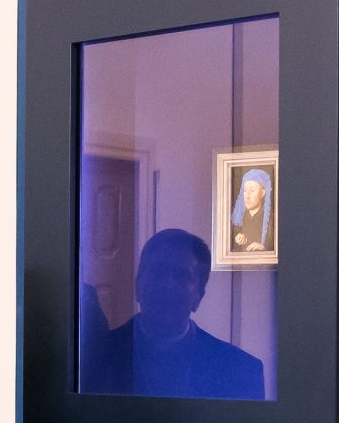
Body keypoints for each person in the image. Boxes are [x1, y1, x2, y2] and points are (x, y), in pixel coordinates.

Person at [80, 228, 265, 400]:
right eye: (157, 272)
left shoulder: (240, 371)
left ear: (198, 296)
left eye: (181, 276)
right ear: (138, 287)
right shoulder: (93, 358)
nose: (167, 285)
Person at [228, 167, 275, 255]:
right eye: (245, 190)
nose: (247, 196)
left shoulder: (272, 219)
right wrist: (237, 239)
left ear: (262, 193)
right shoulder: (239, 218)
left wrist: (264, 248)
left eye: (252, 190)